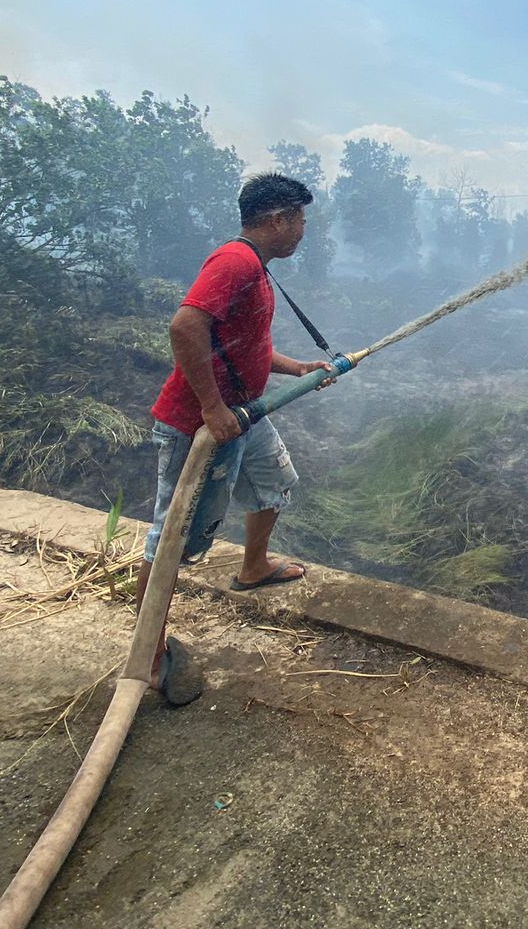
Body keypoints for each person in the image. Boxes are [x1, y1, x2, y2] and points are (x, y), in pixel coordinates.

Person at [135, 172, 335, 706]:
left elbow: (242, 342)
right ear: (277, 219)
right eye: (300, 220)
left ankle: (253, 567)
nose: (303, 230)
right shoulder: (236, 262)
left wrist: (298, 368)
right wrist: (211, 407)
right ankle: (148, 653)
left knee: (275, 480)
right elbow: (185, 327)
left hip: (244, 413)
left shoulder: (259, 271)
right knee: (174, 535)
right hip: (198, 426)